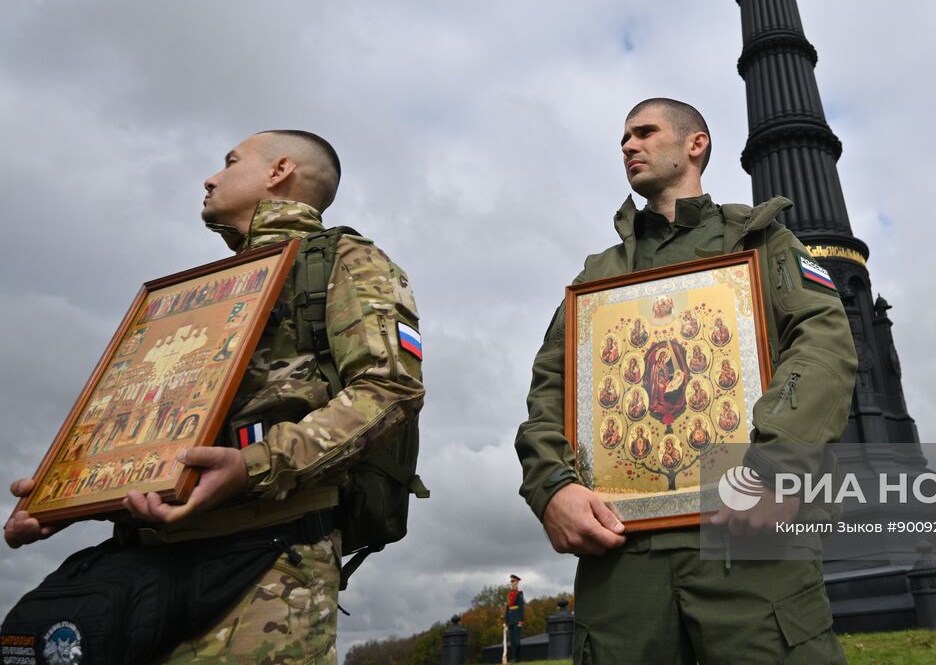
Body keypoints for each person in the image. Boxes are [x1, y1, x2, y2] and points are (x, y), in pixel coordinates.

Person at [6, 129, 424, 663]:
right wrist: (71, 494)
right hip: (146, 569)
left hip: (267, 567)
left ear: (279, 172)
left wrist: (255, 465)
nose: (210, 177)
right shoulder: (196, 294)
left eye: (229, 162)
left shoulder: (345, 259)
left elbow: (389, 389)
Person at [516, 98, 858, 664]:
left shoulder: (763, 241)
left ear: (695, 143)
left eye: (644, 132)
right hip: (622, 554)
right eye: (624, 138)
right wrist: (551, 486)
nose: (629, 145)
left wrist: (777, 465)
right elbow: (551, 387)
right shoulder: (597, 276)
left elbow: (824, 345)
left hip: (750, 538)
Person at [503, 574, 525, 664]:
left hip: (517, 619)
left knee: (517, 641)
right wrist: (506, 620)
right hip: (511, 619)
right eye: (511, 581)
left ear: (517, 582)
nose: (512, 583)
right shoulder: (510, 594)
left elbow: (521, 607)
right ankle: (513, 658)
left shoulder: (519, 593)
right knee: (511, 641)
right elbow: (508, 608)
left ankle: (517, 658)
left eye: (513, 581)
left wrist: (521, 620)